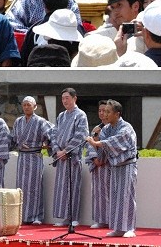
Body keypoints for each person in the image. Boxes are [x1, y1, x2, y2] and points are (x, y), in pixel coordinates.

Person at [85, 99, 137, 238]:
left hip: (127, 165)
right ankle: (118, 228)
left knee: (127, 196)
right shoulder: (106, 129)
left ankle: (130, 228)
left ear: (117, 114)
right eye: (104, 111)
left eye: (108, 112)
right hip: (114, 167)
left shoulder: (126, 128)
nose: (105, 115)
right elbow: (100, 147)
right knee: (115, 197)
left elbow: (115, 142)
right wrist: (95, 138)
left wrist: (97, 142)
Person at [10, 96, 53, 225]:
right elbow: (12, 138)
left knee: (35, 187)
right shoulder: (18, 121)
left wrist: (46, 144)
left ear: (35, 107)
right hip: (22, 157)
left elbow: (52, 133)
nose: (27, 107)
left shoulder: (40, 121)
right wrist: (18, 144)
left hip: (35, 157)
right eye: (24, 105)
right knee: (21, 187)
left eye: (29, 105)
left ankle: (37, 216)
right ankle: (21, 216)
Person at [50, 88, 89, 227]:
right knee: (62, 188)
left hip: (72, 157)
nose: (65, 100)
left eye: (67, 97)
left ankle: (73, 217)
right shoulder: (61, 116)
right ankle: (64, 217)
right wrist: (57, 150)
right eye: (63, 98)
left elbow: (81, 135)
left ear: (74, 98)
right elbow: (53, 134)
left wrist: (66, 151)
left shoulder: (80, 115)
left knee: (73, 187)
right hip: (61, 157)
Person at [86, 100, 110, 228]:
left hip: (109, 165)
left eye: (104, 111)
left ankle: (111, 220)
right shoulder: (97, 128)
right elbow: (90, 145)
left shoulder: (112, 128)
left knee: (110, 193)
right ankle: (100, 219)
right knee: (98, 193)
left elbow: (111, 145)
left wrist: (102, 159)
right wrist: (95, 158)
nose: (102, 113)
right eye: (99, 111)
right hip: (97, 165)